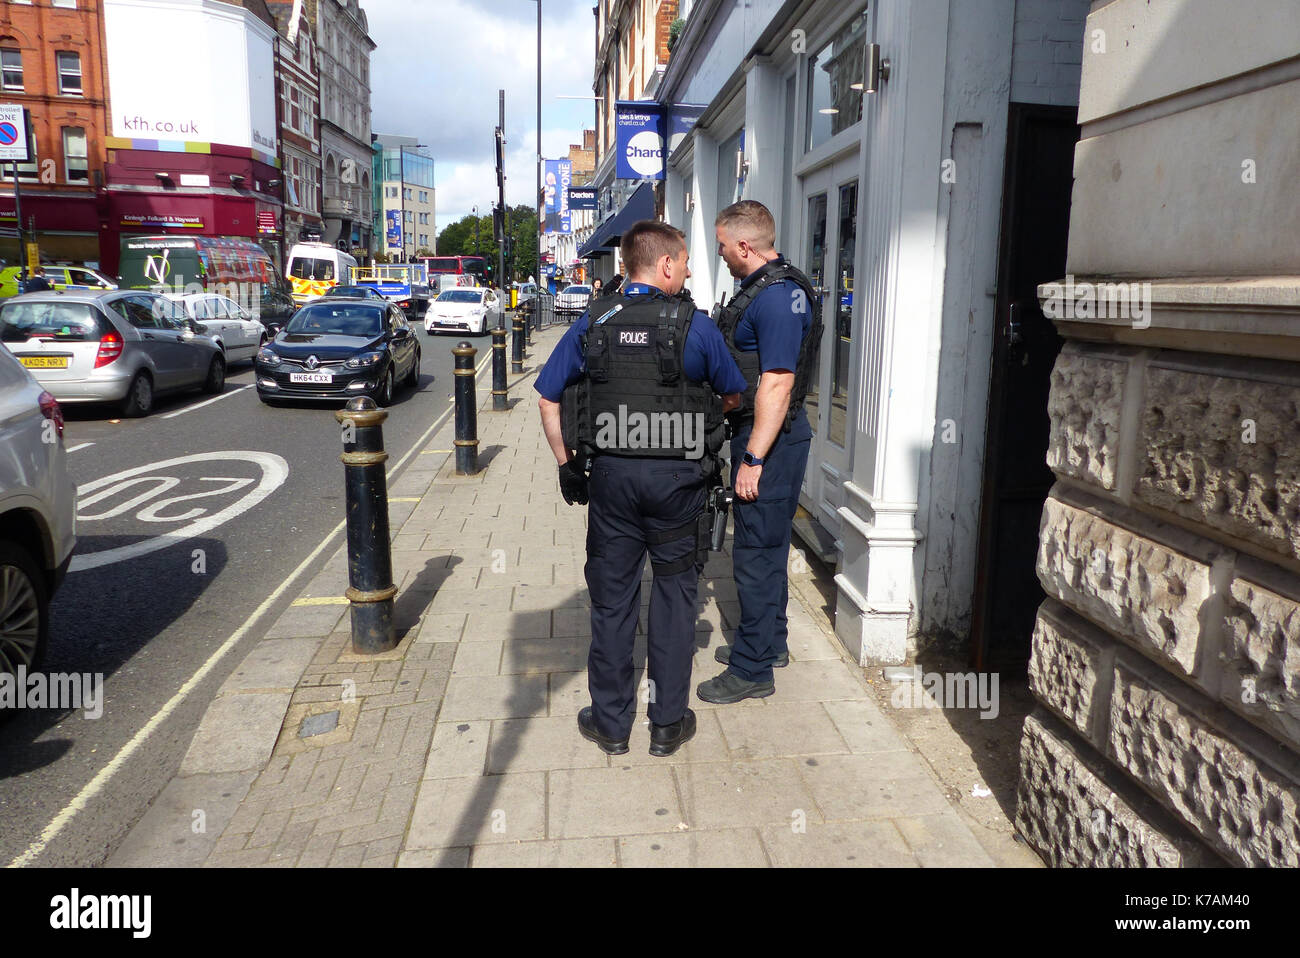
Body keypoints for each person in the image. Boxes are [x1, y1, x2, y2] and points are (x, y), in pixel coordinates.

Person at [535, 220, 745, 756]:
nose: (691, 269)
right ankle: (668, 724)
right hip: (679, 483)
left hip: (610, 481)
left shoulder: (594, 322)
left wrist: (566, 465)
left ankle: (610, 724)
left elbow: (548, 399)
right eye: (685, 260)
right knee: (676, 599)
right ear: (666, 264)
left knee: (611, 601)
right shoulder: (695, 327)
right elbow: (732, 396)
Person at [696, 200, 821, 704]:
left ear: (745, 246)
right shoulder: (768, 290)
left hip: (771, 440)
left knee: (753, 554)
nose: (722, 254)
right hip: (769, 436)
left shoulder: (775, 298)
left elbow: (777, 384)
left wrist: (752, 459)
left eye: (724, 246)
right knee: (767, 549)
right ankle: (771, 644)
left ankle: (752, 669)